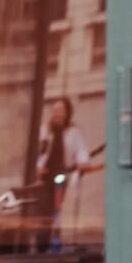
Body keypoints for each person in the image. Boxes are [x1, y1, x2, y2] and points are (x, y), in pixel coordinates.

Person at [34, 96, 90, 252]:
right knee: (41, 209)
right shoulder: (45, 130)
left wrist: (82, 162)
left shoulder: (73, 132)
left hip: (60, 175)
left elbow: (81, 152)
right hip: (44, 176)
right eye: (55, 111)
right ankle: (40, 244)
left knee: (56, 208)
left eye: (60, 111)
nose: (57, 114)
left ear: (67, 113)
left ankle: (54, 241)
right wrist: (37, 167)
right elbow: (38, 152)